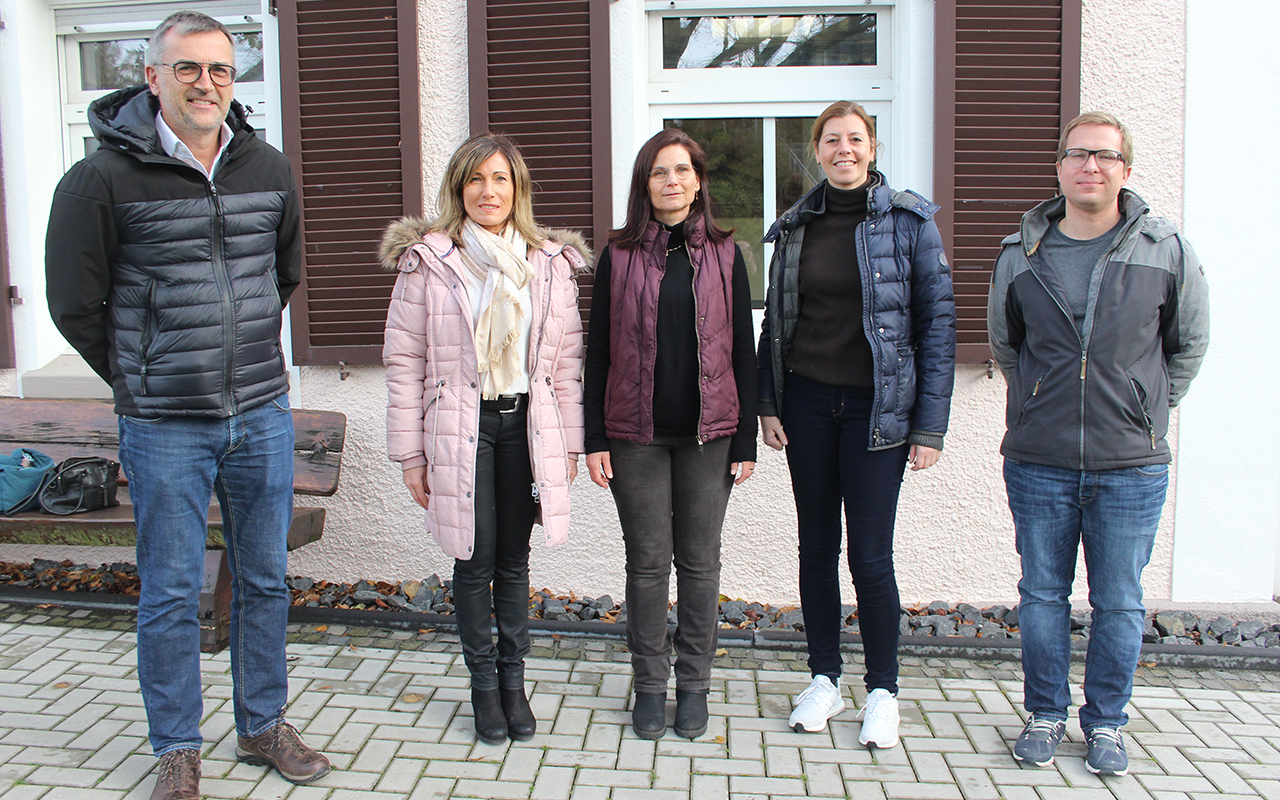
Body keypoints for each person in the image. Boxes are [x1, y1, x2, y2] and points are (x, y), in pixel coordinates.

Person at [43, 11, 329, 800]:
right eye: (189, 69)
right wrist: (141, 376)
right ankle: (177, 748)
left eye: (221, 70)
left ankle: (263, 723)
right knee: (171, 591)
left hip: (262, 415)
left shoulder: (266, 166)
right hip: (164, 423)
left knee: (264, 579)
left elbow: (283, 276)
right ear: (153, 76)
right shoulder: (100, 179)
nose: (206, 83)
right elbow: (75, 303)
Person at [988, 111, 1209, 776]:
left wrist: (1145, 411)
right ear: (1059, 168)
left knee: (1118, 601)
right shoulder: (1020, 252)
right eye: (1079, 154)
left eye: (1105, 156)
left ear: (1126, 169)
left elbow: (1188, 343)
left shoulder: (1165, 247)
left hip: (1130, 467)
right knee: (1042, 596)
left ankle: (1107, 723)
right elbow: (1006, 344)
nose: (1091, 167)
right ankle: (1045, 714)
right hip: (1039, 461)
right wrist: (1034, 403)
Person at [757, 101, 955, 747]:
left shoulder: (909, 222)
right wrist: (769, 403)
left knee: (870, 556)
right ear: (816, 149)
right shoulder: (793, 228)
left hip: (879, 412)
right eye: (832, 139)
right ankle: (824, 679)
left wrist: (929, 427)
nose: (845, 149)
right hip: (809, 407)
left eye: (856, 138)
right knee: (816, 548)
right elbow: (775, 327)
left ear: (872, 147)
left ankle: (882, 690)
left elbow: (937, 328)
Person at [381, 133, 587, 746]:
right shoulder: (432, 261)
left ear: (517, 189)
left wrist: (569, 445)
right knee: (472, 561)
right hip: (460, 431)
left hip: (524, 426)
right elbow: (404, 361)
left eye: (500, 179)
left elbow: (567, 364)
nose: (488, 191)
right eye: (476, 180)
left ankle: (513, 682)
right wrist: (410, 454)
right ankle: (481, 687)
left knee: (514, 562)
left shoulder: (549, 263)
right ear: (458, 189)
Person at [584, 128, 757, 740]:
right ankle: (651, 687)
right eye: (660, 172)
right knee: (649, 565)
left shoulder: (727, 254)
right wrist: (594, 437)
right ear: (644, 184)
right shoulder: (619, 255)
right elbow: (598, 351)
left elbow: (743, 347)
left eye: (682, 170)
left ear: (699, 181)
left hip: (710, 438)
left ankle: (694, 687)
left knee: (701, 565)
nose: (672, 181)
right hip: (636, 438)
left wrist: (745, 440)